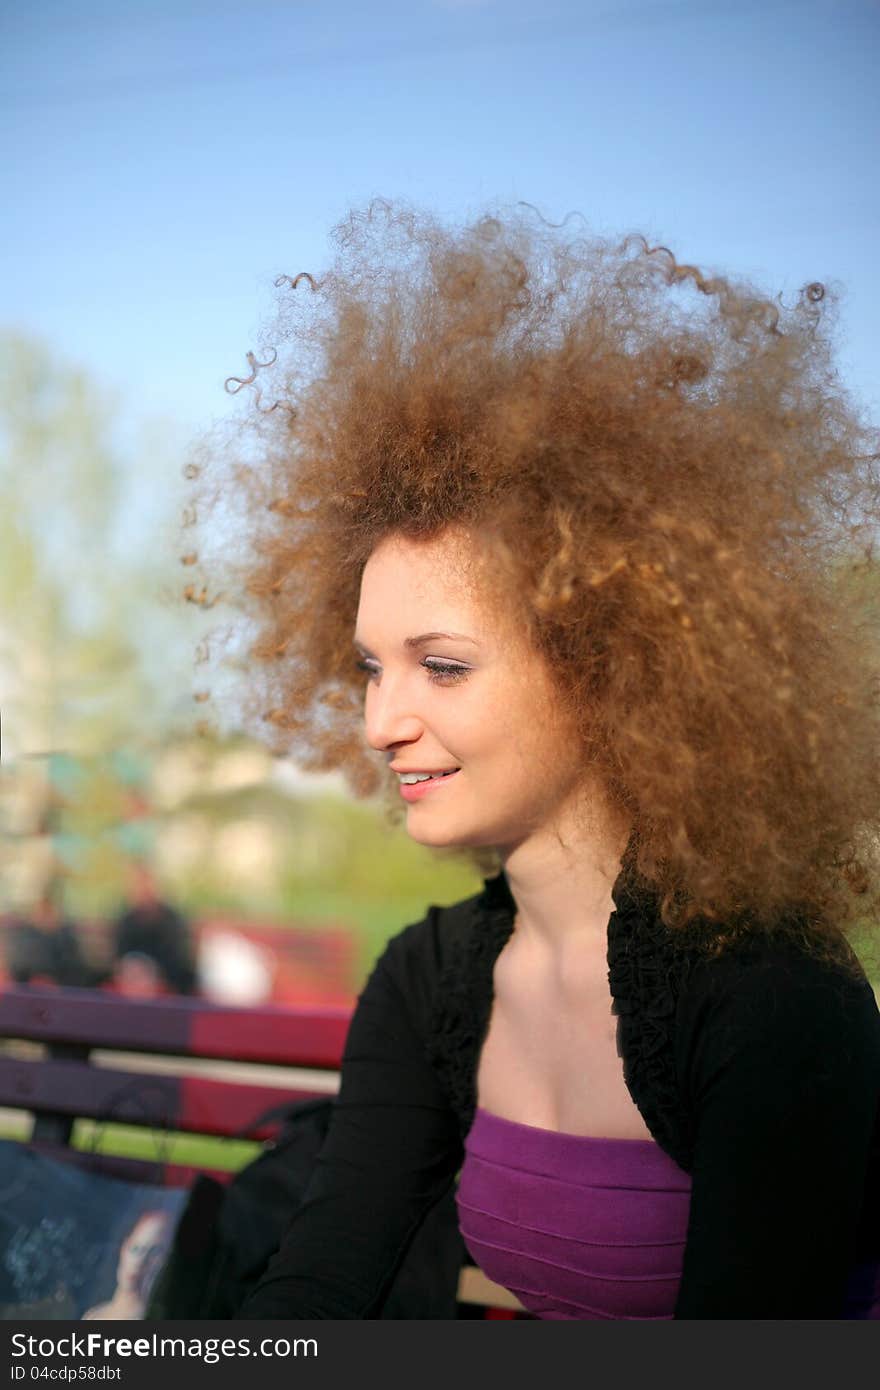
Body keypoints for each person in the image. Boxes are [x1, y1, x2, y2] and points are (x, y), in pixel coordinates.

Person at [187, 202, 880, 1318]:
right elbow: (317, 1286)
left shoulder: (770, 993)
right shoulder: (429, 981)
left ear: (611, 666)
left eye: (442, 666)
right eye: (371, 666)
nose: (380, 723)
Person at [110, 859, 197, 996]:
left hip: (165, 983)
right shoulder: (127, 920)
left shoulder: (171, 920)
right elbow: (119, 955)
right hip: (131, 980)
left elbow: (178, 959)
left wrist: (152, 973)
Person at [81, 1210, 174, 1320]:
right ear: (124, 1248)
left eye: (154, 1253)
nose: (140, 1261)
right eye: (136, 1248)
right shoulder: (93, 1315)